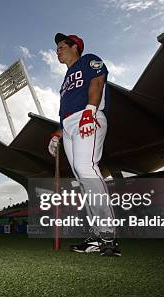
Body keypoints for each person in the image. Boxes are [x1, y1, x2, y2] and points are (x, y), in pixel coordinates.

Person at [48, 33, 121, 257]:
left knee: (86, 168)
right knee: (81, 180)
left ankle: (108, 235)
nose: (57, 50)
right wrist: (58, 134)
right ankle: (95, 236)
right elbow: (67, 111)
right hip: (70, 125)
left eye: (62, 46)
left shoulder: (88, 59)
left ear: (75, 47)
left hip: (88, 117)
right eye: (57, 47)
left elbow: (97, 82)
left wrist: (90, 111)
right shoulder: (65, 81)